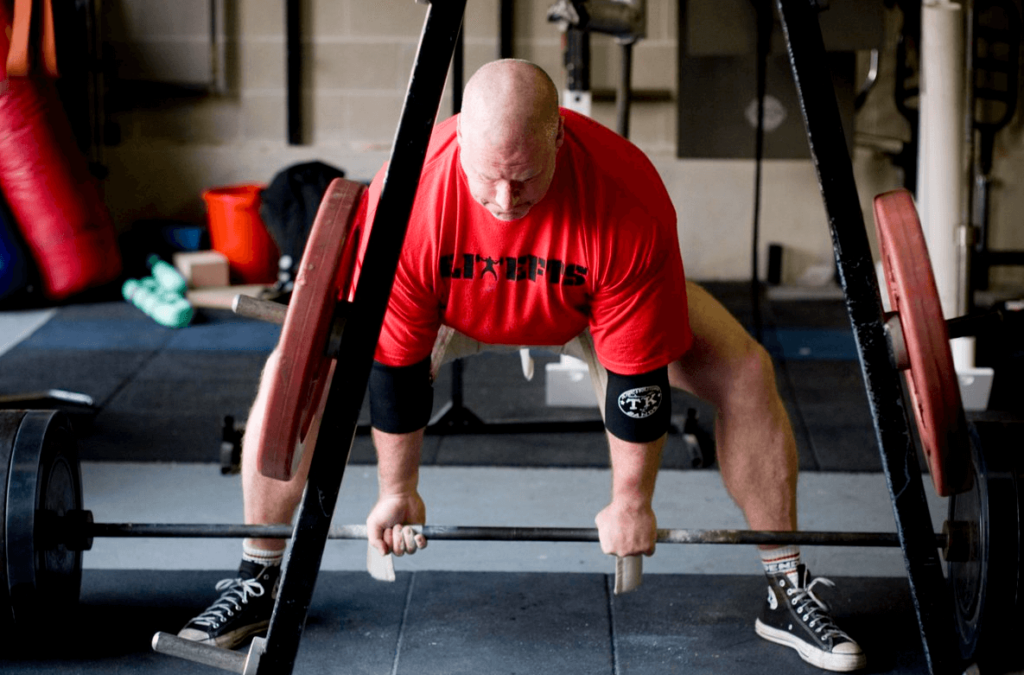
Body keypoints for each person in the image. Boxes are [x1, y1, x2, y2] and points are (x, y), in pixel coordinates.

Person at [177, 59, 866, 672]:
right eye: (488, 180)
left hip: (586, 308)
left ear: (559, 136)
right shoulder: (411, 193)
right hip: (450, 307)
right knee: (297, 369)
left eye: (525, 177)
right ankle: (259, 575)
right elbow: (396, 363)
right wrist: (399, 489)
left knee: (746, 371)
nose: (505, 203)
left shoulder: (625, 196)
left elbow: (635, 382)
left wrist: (632, 501)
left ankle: (785, 584)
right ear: (460, 147)